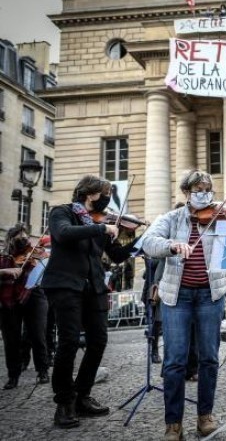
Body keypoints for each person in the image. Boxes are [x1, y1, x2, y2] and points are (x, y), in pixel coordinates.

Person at [141, 170, 226, 440]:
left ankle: (204, 416)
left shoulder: (219, 218)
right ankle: (173, 423)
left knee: (209, 358)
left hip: (211, 295)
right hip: (177, 297)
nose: (204, 193)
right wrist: (172, 245)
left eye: (208, 188)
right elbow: (148, 242)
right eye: (198, 189)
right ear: (186, 192)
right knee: (174, 361)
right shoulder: (172, 218)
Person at [42, 175, 136, 429]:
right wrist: (101, 228)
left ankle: (82, 394)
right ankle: (64, 401)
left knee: (98, 341)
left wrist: (139, 242)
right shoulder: (62, 212)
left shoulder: (100, 222)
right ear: (91, 194)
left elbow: (116, 256)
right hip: (65, 284)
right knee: (69, 341)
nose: (107, 199)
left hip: (93, 287)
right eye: (105, 193)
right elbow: (63, 235)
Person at [0, 224, 50, 389]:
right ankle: (13, 376)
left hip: (33, 295)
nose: (23, 241)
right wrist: (7, 271)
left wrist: (42, 259)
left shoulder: (34, 251)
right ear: (10, 240)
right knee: (11, 339)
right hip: (9, 299)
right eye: (18, 238)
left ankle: (42, 371)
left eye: (25, 237)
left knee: (37, 334)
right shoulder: (3, 257)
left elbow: (47, 261)